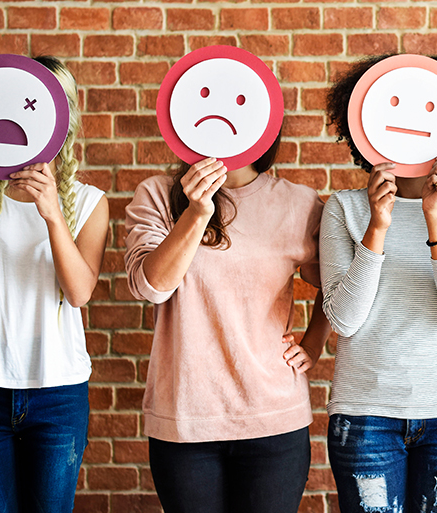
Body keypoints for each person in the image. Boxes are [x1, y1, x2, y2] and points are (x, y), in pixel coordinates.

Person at [320, 53, 437, 513]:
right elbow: (344, 319)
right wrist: (378, 226)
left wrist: (433, 215)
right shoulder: (344, 208)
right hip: (365, 417)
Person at [0, 56, 109, 513]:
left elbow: (79, 293)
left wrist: (52, 214)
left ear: (62, 120)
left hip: (58, 394)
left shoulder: (90, 202)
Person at [124, 133, 330, 513]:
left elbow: (337, 284)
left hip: (273, 420)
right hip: (185, 422)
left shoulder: (298, 203)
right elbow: (150, 286)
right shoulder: (157, 195)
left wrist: (314, 343)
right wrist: (196, 212)